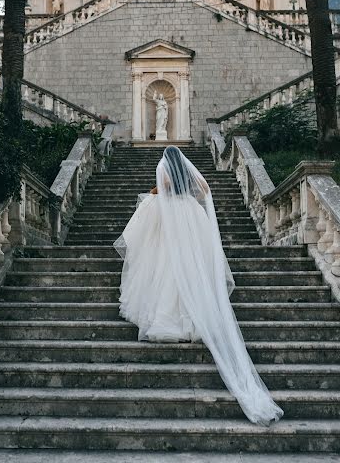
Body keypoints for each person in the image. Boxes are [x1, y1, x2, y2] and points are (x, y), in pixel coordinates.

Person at [114, 145, 283, 426]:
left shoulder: (162, 168)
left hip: (171, 217)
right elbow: (204, 188)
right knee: (190, 266)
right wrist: (186, 188)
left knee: (166, 266)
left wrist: (161, 190)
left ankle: (170, 319)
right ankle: (193, 317)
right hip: (190, 215)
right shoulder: (187, 173)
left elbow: (162, 186)